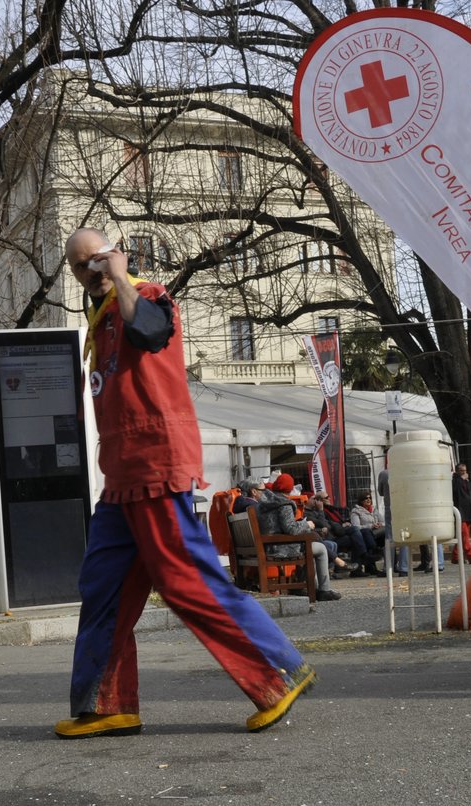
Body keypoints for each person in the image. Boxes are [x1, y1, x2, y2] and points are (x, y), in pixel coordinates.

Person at [54, 228, 316, 737]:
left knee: (187, 580)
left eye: (97, 260)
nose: (91, 271)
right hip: (121, 477)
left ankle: (278, 674)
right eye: (80, 265)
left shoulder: (147, 295)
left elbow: (150, 332)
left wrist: (121, 275)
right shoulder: (99, 319)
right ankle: (108, 706)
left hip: (156, 468)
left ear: (116, 257)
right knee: (102, 588)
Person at [258, 474, 342, 601]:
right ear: (290, 488)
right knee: (320, 549)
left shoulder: (265, 502)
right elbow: (291, 529)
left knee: (313, 545)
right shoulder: (284, 504)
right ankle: (324, 590)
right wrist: (306, 524)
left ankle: (313, 588)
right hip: (281, 548)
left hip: (269, 545)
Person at [451, 463, 471, 562]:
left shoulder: (467, 481)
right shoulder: (455, 480)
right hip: (460, 512)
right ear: (457, 471)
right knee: (465, 536)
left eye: (465, 471)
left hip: (469, 511)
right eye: (462, 471)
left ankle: (455, 556)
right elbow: (455, 490)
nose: (464, 473)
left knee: (461, 535)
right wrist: (462, 478)